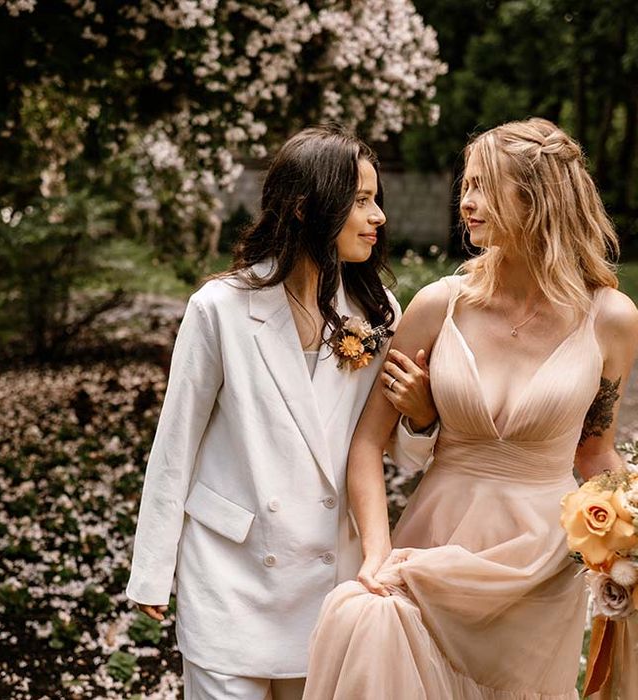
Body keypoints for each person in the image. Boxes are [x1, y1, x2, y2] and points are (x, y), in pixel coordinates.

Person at [303, 117, 638, 699]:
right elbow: (366, 443)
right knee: (371, 626)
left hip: (539, 568)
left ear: (537, 199)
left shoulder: (610, 319)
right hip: (435, 545)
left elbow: (595, 450)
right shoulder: (439, 305)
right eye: (466, 186)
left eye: (484, 186)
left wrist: (629, 526)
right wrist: (379, 553)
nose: (468, 203)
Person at [126, 124, 439, 699]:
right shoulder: (219, 308)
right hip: (229, 573)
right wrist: (152, 566)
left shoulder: (378, 311)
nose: (379, 219)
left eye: (378, 201)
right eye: (362, 200)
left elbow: (400, 454)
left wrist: (420, 417)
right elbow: (176, 443)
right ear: (305, 208)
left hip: (328, 575)